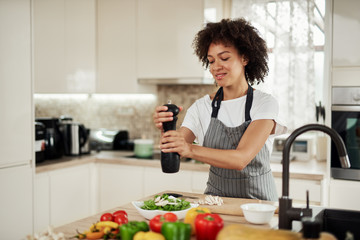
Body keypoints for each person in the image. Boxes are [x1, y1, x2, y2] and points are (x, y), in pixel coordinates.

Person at [153, 18, 287, 201]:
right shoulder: (202, 107)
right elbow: (176, 150)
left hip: (258, 206)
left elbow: (240, 159)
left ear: (245, 58)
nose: (216, 67)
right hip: (215, 205)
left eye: (224, 58)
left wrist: (190, 149)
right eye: (211, 60)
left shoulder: (264, 103)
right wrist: (166, 131)